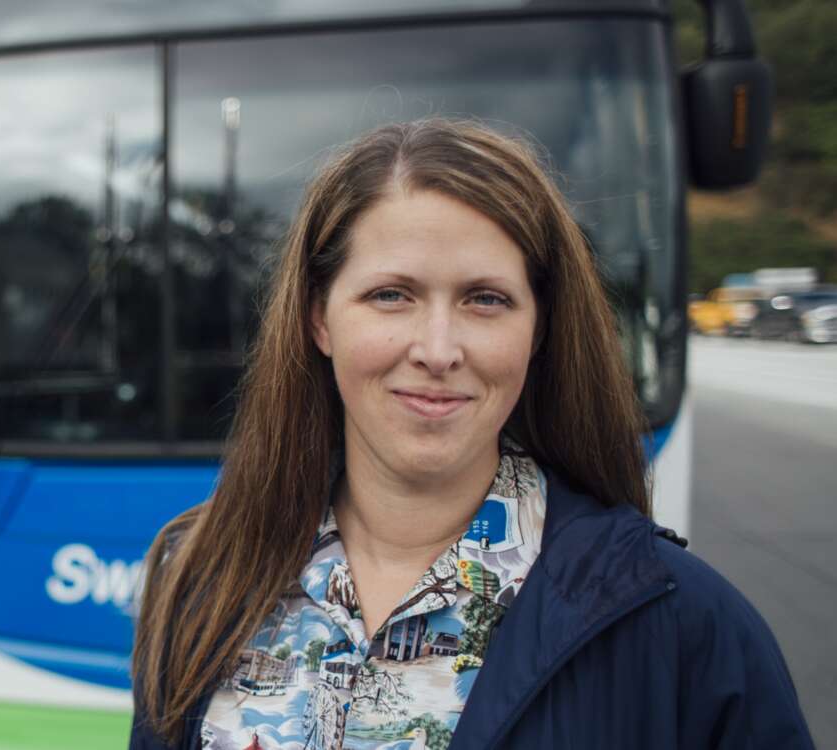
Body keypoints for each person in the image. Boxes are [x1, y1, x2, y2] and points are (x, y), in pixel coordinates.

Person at [129, 120, 813, 750]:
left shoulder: (682, 623)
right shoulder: (201, 575)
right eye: (391, 294)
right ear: (320, 319)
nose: (437, 348)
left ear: (538, 330)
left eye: (485, 299)